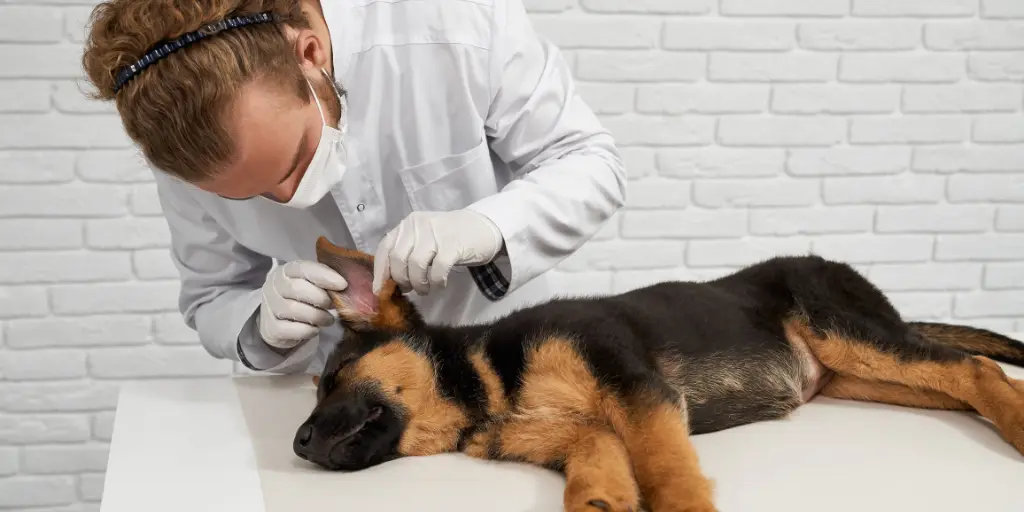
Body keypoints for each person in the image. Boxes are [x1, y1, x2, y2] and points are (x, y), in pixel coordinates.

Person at [81, 0, 626, 375]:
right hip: (339, 392)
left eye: (292, 161)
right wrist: (260, 325)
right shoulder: (181, 148)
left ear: (310, 53)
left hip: (513, 351)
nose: (294, 198)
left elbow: (589, 162)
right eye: (246, 195)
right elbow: (211, 295)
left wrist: (486, 227)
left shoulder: (450, 23)